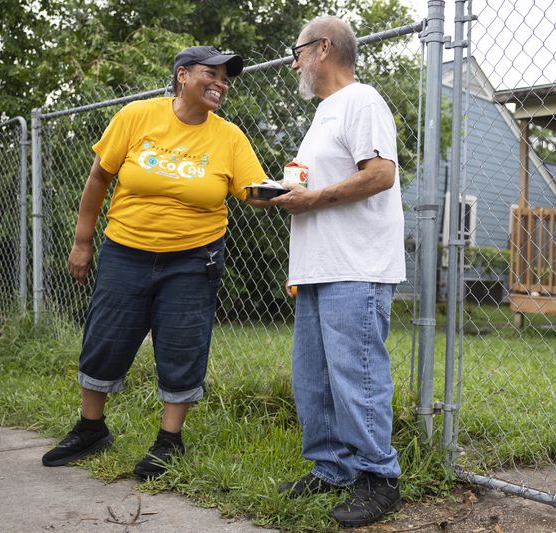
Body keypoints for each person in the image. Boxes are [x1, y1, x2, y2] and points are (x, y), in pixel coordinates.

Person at [41, 46, 270, 479]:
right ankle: (91, 429)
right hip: (125, 249)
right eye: (212, 73)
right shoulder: (136, 116)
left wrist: (290, 190)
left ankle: (169, 442)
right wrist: (82, 241)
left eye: (226, 77)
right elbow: (98, 178)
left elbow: (252, 193)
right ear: (183, 75)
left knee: (183, 343)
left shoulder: (229, 137)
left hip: (193, 258)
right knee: (106, 336)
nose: (221, 83)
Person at [269, 15, 406, 528]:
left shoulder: (362, 100)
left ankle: (379, 478)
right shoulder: (326, 113)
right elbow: (324, 184)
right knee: (314, 380)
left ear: (323, 48)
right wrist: (289, 192)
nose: (296, 63)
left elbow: (380, 174)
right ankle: (332, 468)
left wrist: (313, 197)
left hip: (357, 265)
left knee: (357, 377)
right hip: (319, 266)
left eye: (298, 52)